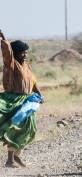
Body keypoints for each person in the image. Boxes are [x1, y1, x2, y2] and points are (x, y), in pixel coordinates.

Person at [0, 30, 43, 168]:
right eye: (22, 52)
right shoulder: (11, 64)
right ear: (16, 53)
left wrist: (39, 94)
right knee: (14, 127)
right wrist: (3, 37)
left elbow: (33, 82)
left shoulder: (27, 66)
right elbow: (7, 52)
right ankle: (10, 160)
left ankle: (17, 155)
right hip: (14, 100)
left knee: (30, 129)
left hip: (27, 101)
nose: (25, 55)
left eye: (26, 52)